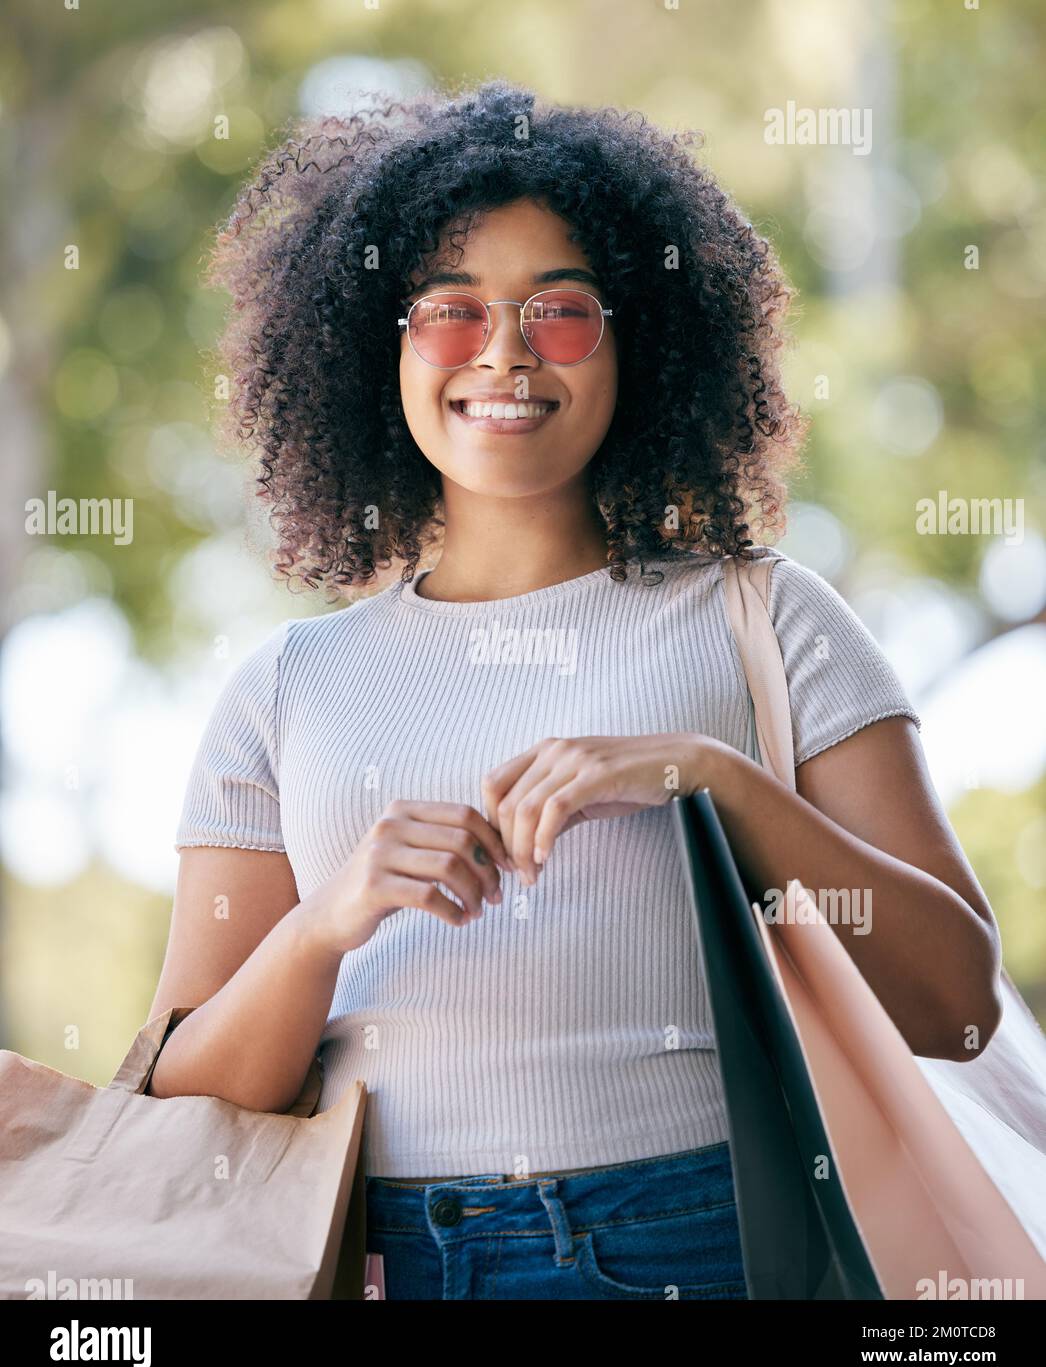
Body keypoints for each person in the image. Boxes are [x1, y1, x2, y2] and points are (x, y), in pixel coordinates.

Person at [146, 81, 1002, 1300]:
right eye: (449, 312)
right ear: (373, 346)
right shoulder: (286, 688)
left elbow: (957, 1007)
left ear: (636, 341)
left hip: (707, 1242)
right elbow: (185, 1084)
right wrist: (327, 920)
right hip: (390, 1259)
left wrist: (712, 780)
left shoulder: (768, 621)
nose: (502, 352)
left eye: (559, 311)